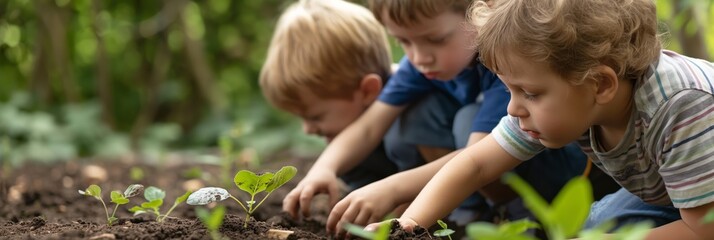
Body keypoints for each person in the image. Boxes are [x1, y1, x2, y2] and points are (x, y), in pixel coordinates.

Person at [374, 0, 714, 239]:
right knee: (597, 224)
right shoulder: (576, 95)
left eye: (529, 93)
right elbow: (476, 164)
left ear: (601, 83)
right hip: (677, 194)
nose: (512, 108)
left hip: (705, 211)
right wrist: (408, 226)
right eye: (510, 91)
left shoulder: (682, 108)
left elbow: (704, 229)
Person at [278, 0, 612, 237]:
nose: (419, 57)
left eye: (435, 39)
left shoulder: (509, 67)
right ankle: (459, 216)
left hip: (553, 171)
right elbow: (370, 126)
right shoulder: (421, 64)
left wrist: (391, 189)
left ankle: (520, 218)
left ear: (478, 12)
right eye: (403, 42)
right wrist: (324, 168)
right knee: (409, 121)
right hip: (483, 160)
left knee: (468, 120)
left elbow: (477, 156)